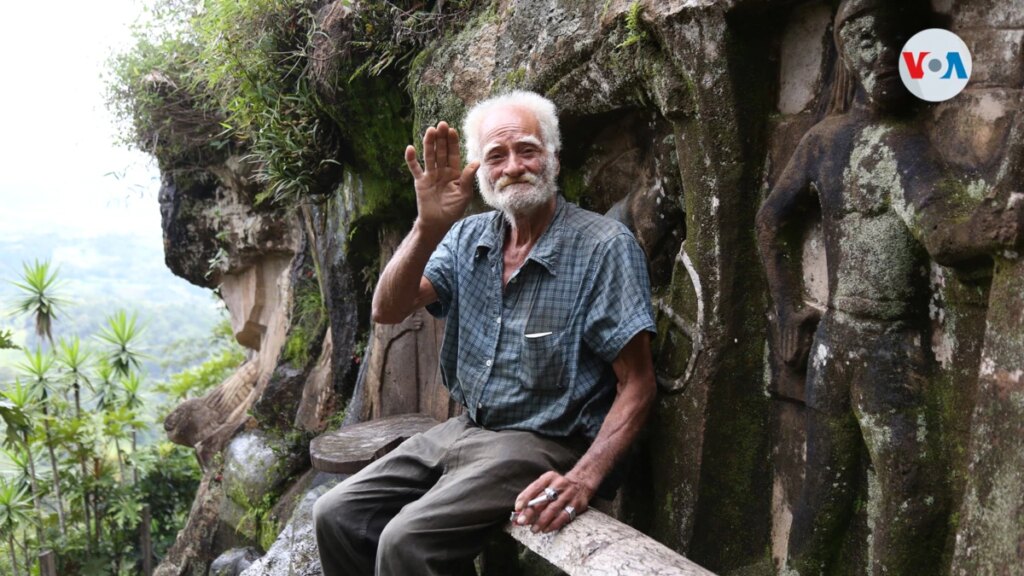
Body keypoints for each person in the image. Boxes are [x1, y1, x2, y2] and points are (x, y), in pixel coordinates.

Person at [313, 91, 657, 575]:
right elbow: (387, 310)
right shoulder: (467, 236)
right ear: (479, 170)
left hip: (544, 441)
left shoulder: (603, 247)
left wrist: (583, 480)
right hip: (465, 428)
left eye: (527, 150)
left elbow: (638, 384)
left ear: (553, 159)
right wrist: (426, 227)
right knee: (335, 514)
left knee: (406, 541)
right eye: (497, 155)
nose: (513, 166)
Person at [757, 0, 1022, 573]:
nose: (884, 56)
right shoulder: (890, 144)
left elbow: (771, 219)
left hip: (839, 343)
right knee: (908, 497)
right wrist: (1000, 225)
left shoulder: (842, 141)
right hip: (880, 354)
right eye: (868, 42)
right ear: (847, 52)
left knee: (829, 490)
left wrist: (789, 310)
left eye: (898, 42)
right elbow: (946, 237)